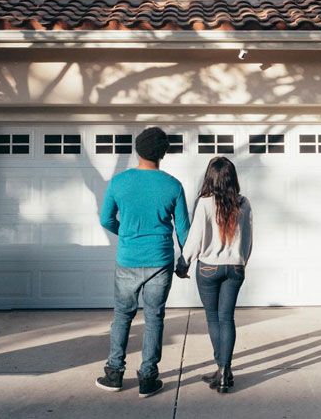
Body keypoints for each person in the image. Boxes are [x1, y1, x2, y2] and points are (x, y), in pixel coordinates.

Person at [96, 126, 190, 398]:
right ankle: (148, 378)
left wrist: (125, 233)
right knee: (154, 317)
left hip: (128, 259)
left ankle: (114, 374)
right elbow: (184, 231)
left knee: (123, 317)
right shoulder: (173, 185)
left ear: (137, 150)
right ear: (164, 153)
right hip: (160, 261)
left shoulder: (119, 182)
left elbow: (105, 220)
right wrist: (185, 260)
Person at [176, 156, 252, 393]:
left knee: (213, 318)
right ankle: (224, 370)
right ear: (232, 178)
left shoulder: (205, 202)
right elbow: (248, 239)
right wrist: (241, 262)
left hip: (209, 267)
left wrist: (183, 262)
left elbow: (195, 237)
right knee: (227, 318)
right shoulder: (244, 202)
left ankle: (221, 370)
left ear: (210, 177)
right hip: (235, 268)